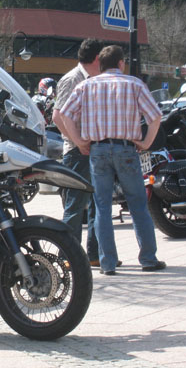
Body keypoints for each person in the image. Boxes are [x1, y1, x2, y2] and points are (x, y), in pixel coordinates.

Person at [59, 45, 166, 275]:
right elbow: (156, 117)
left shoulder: (86, 86)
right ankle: (148, 259)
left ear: (101, 64)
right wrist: (146, 143)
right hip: (127, 149)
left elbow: (64, 115)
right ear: (120, 63)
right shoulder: (134, 84)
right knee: (138, 204)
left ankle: (107, 263)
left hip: (97, 151)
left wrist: (79, 141)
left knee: (102, 207)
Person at [52, 39, 103, 266]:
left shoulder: (93, 78)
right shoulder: (72, 78)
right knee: (74, 206)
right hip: (76, 151)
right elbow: (57, 116)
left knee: (97, 205)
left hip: (91, 149)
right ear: (97, 58)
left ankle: (93, 255)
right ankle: (68, 258)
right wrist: (78, 142)